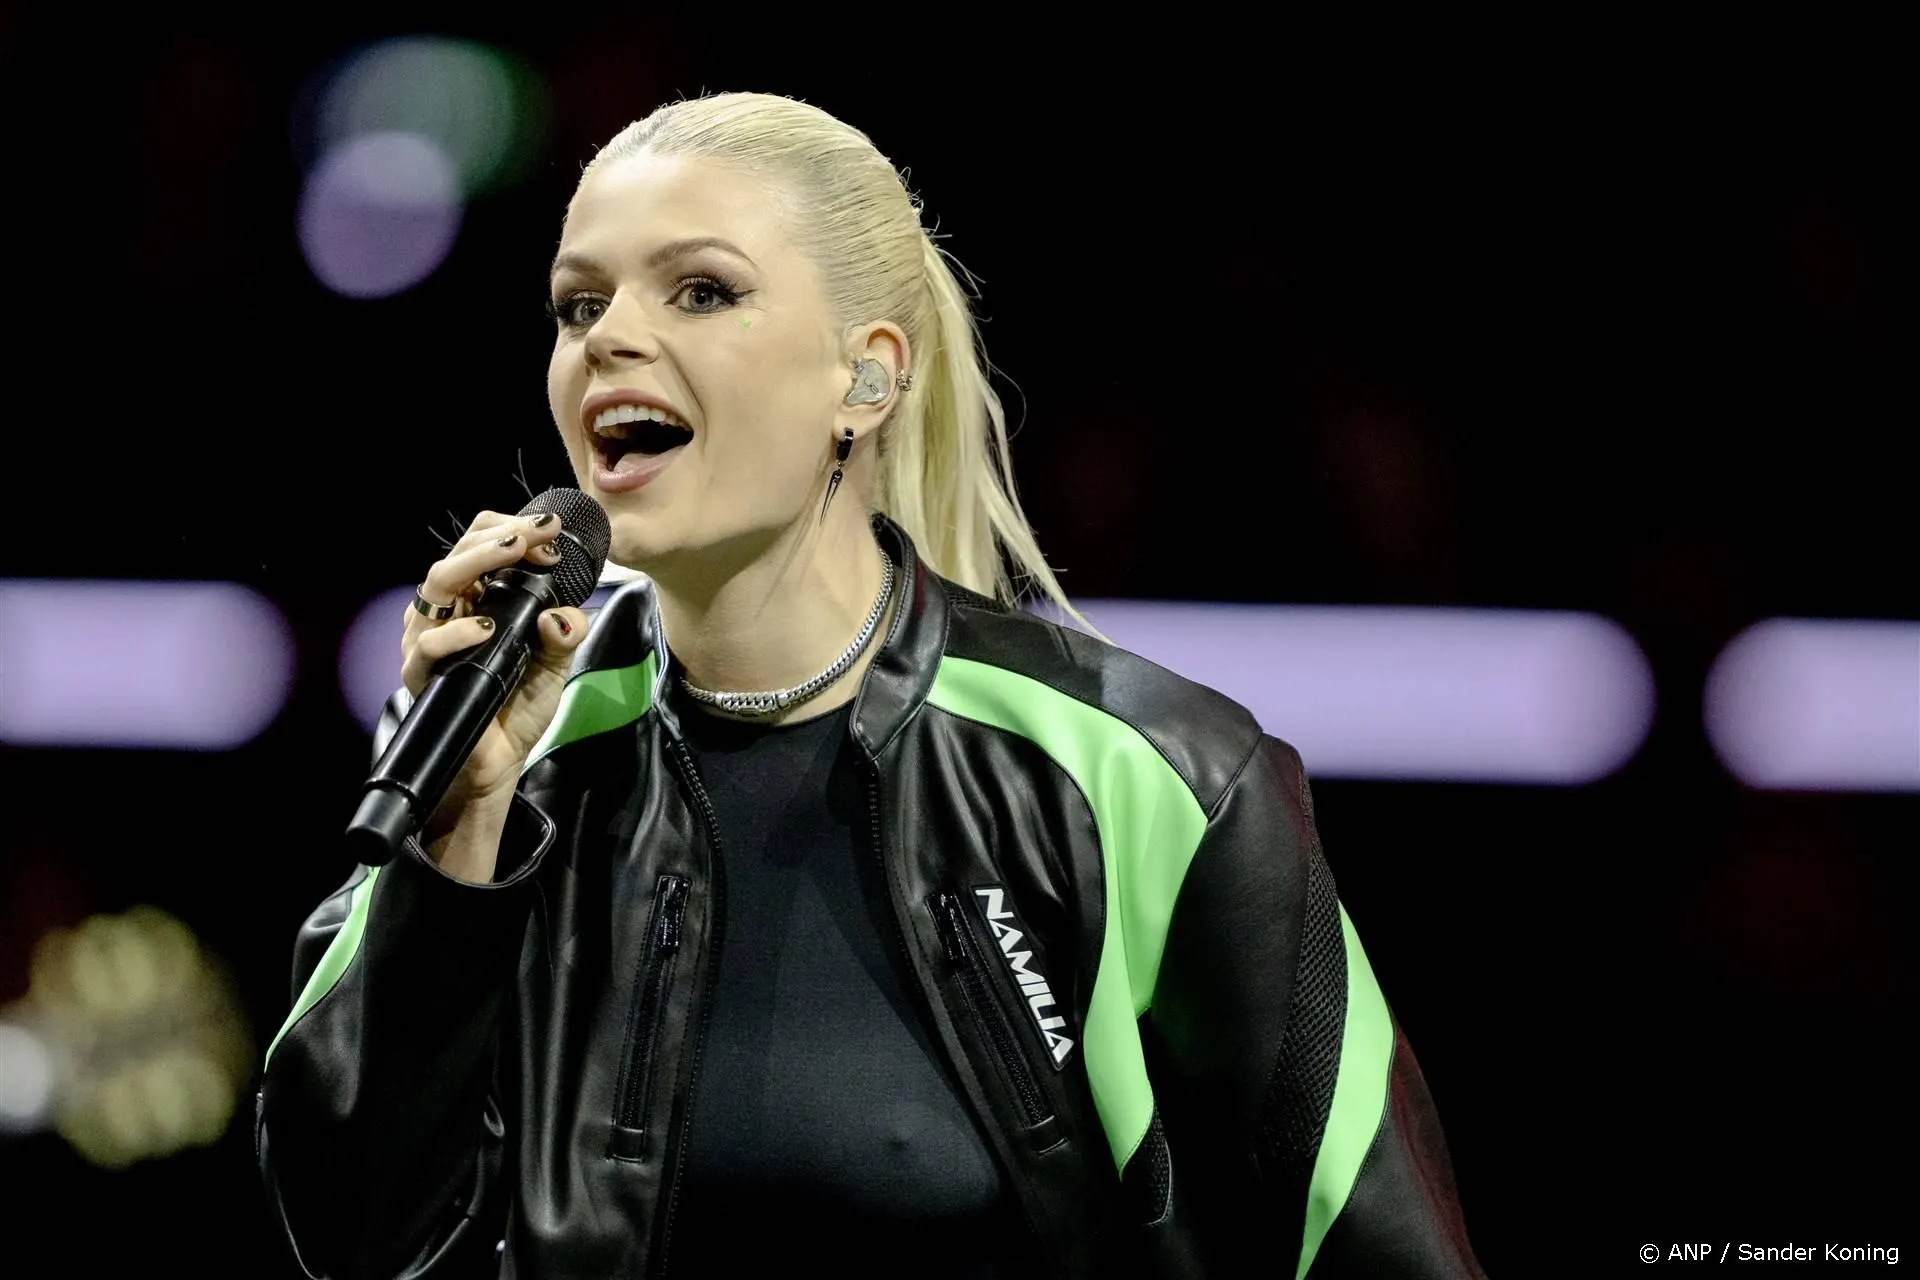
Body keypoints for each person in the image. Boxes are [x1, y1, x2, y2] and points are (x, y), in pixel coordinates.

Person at [256, 91, 1486, 1278]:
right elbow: (349, 1230)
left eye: (701, 290)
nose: (609, 339)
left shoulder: (1139, 768)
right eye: (580, 304)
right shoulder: (510, 754)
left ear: (866, 377)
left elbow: (1375, 1241)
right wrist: (460, 832)